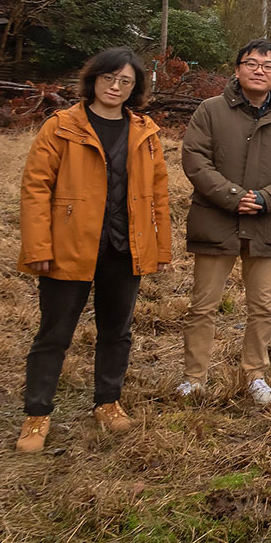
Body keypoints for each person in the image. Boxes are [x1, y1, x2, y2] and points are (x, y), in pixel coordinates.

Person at [15, 48, 170, 452]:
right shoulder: (62, 126)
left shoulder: (145, 132)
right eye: (108, 78)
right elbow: (35, 189)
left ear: (136, 88)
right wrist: (38, 246)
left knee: (117, 332)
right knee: (54, 333)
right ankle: (37, 414)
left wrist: (158, 248)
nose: (115, 87)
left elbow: (158, 196)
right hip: (69, 246)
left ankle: (108, 402)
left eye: (125, 82)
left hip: (124, 248)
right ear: (93, 79)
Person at [178, 39, 271, 407]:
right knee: (203, 305)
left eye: (268, 66)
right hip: (216, 219)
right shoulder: (210, 110)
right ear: (236, 69)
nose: (259, 70)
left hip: (268, 223)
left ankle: (255, 374)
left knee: (263, 306)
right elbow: (195, 158)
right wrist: (233, 196)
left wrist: (267, 198)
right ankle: (194, 377)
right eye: (251, 63)